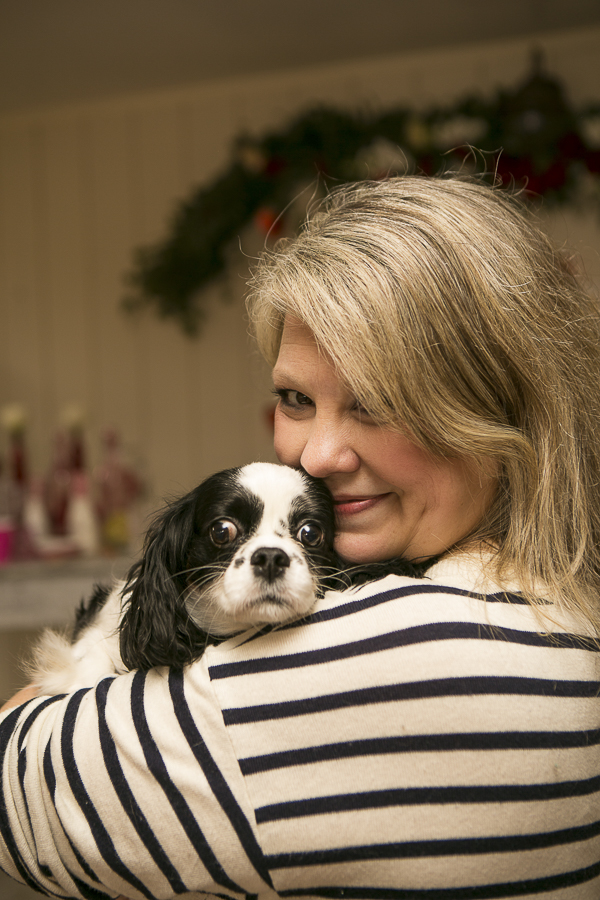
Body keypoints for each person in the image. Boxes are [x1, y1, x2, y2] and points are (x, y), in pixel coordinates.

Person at [2, 174, 600, 899]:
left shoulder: (440, 649)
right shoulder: (554, 607)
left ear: (500, 414)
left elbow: (21, 796)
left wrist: (32, 705)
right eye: (295, 399)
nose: (315, 457)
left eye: (377, 403)